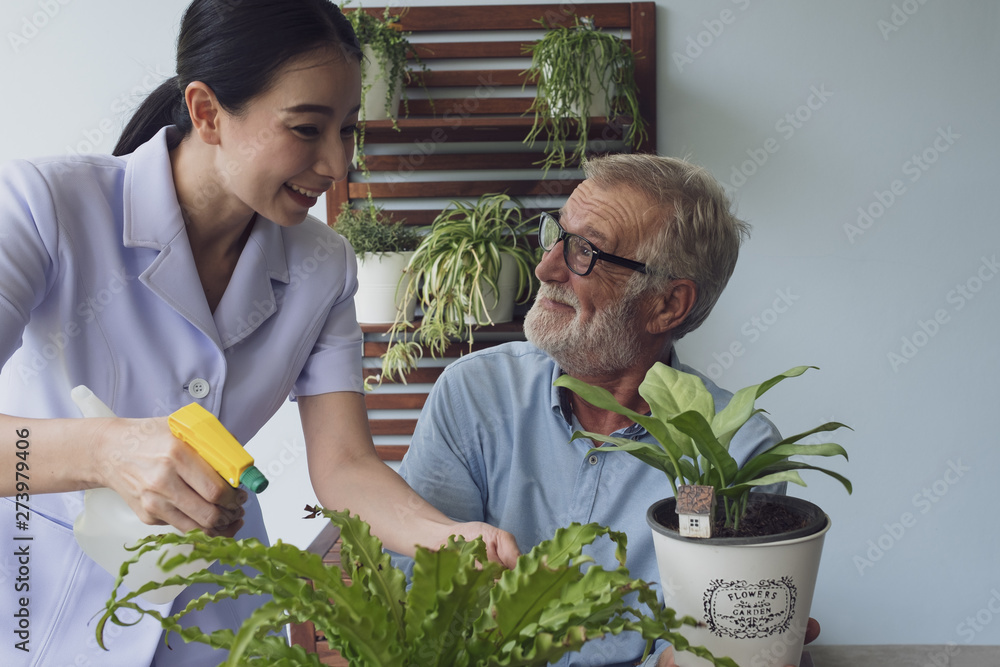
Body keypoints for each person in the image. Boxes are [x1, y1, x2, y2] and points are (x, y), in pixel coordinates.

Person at [0, 1, 517, 665]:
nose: (337, 164)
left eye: (349, 130)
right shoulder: (43, 207)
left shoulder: (323, 264)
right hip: (48, 614)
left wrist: (445, 536)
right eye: (306, 128)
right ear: (207, 111)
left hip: (223, 624)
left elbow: (346, 466)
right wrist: (104, 450)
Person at [397, 153, 819, 667]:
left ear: (668, 304)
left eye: (585, 253)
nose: (546, 267)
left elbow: (702, 646)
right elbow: (421, 591)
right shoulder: (475, 392)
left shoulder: (734, 449)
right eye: (556, 235)